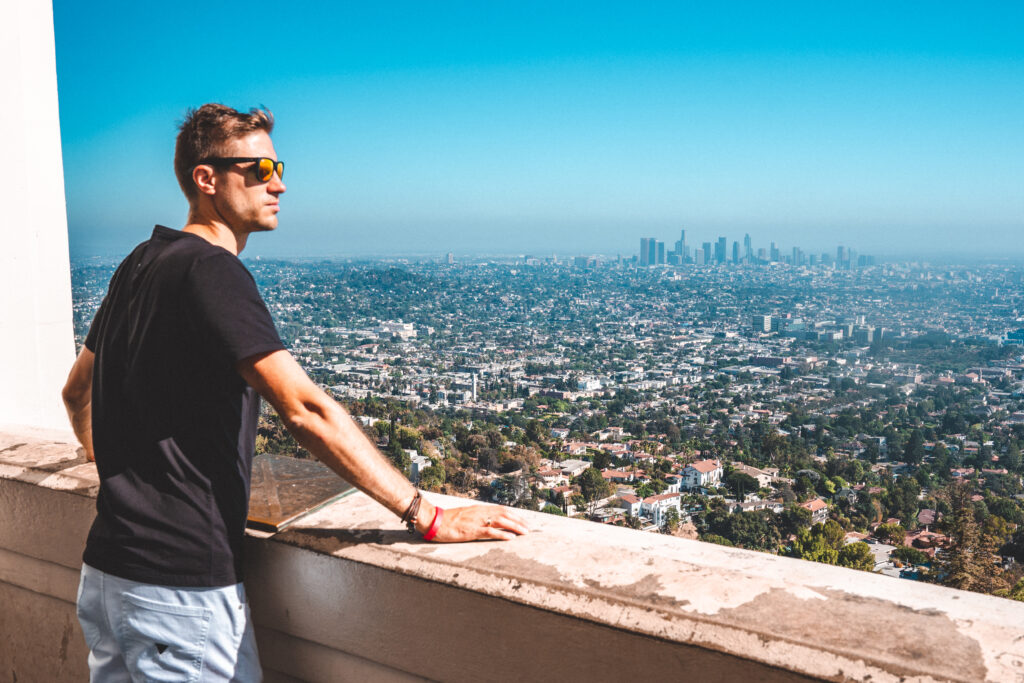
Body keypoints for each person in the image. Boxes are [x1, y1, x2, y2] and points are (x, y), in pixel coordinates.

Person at [61, 103, 529, 681]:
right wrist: (425, 514)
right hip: (179, 590)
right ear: (206, 179)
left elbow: (77, 392)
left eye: (279, 166)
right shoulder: (212, 270)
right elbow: (306, 410)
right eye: (258, 168)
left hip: (109, 575)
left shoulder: (140, 261)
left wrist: (123, 473)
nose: (278, 182)